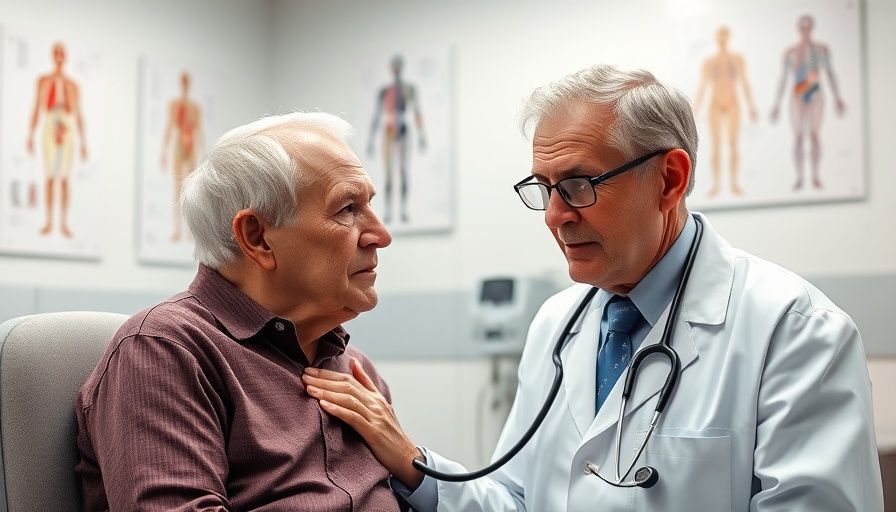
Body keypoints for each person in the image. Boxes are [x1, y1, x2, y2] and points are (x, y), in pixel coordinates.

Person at [302, 64, 884, 510]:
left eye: (579, 184)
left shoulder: (794, 331)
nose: (556, 216)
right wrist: (411, 460)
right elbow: (516, 499)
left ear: (670, 180)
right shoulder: (558, 324)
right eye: (544, 187)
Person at [75, 111, 417, 511]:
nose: (381, 235)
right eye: (346, 209)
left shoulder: (356, 371)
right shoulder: (165, 351)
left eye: (369, 205)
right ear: (257, 238)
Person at [770, 14, 846, 191]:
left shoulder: (821, 49)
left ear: (811, 28)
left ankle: (815, 176)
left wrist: (837, 97)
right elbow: (783, 78)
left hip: (815, 92)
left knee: (814, 135)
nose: (806, 31)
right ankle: (799, 177)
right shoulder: (790, 52)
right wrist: (777, 104)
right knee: (798, 136)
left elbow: (830, 72)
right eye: (803, 27)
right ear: (799, 29)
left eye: (808, 27)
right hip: (798, 93)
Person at [26, 41, 87, 238]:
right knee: (50, 174)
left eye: (62, 54)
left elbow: (78, 114)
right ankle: (49, 222)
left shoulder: (73, 85)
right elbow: (36, 108)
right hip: (50, 123)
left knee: (65, 176)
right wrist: (30, 134)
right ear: (53, 56)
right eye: (56, 54)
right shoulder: (43, 80)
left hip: (67, 124)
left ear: (65, 57)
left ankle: (63, 223)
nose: (59, 58)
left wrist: (84, 142)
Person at [693, 25, 758, 198]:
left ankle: (734, 183)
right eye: (720, 35)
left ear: (728, 37)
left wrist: (751, 106)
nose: (722, 38)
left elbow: (744, 82)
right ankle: (716, 184)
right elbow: (703, 85)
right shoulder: (709, 61)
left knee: (733, 143)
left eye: (724, 35)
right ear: (717, 37)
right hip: (715, 103)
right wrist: (695, 110)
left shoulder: (737, 59)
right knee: (716, 144)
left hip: (733, 102)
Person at [367, 54, 426, 224]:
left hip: (403, 130)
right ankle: (388, 211)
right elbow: (377, 115)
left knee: (403, 171)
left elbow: (417, 112)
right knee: (389, 174)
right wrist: (371, 140)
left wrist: (421, 135)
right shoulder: (384, 91)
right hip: (389, 131)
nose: (396, 68)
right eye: (394, 65)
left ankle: (403, 210)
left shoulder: (409, 89)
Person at [160, 71, 203, 242]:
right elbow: (169, 127)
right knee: (178, 188)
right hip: (179, 144)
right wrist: (163, 151)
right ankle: (177, 229)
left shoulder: (195, 108)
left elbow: (199, 132)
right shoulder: (175, 105)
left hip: (190, 146)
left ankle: (190, 231)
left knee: (191, 189)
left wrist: (204, 154)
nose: (185, 84)